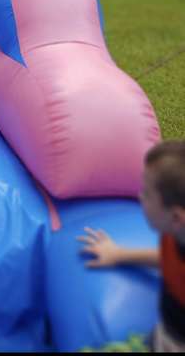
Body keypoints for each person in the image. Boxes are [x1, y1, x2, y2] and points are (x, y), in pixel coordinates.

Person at [77, 139, 185, 353]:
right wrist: (119, 254)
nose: (139, 197)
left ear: (175, 216)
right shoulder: (173, 233)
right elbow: (168, 259)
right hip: (163, 336)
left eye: (147, 193)